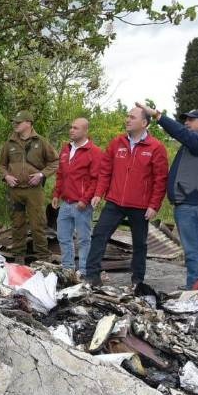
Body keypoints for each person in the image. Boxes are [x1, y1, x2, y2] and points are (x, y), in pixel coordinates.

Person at [82, 106, 169, 287]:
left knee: (140, 244)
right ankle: (92, 276)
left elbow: (160, 179)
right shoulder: (117, 143)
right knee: (99, 234)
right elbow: (105, 171)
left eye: (132, 117)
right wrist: (99, 193)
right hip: (115, 201)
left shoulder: (156, 147)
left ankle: (137, 281)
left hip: (140, 205)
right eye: (127, 116)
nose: (127, 120)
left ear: (144, 123)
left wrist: (154, 205)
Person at [138, 103, 198, 289]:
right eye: (185, 120)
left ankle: (196, 292)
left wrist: (158, 116)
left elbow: (181, 133)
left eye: (191, 119)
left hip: (192, 203)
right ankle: (196, 287)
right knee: (195, 250)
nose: (187, 123)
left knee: (194, 252)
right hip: (191, 203)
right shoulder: (195, 145)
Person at [0, 110, 59, 263]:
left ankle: (43, 257)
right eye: (15, 122)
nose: (15, 124)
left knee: (38, 223)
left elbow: (55, 162)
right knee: (17, 224)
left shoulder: (41, 142)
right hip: (15, 191)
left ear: (29, 123)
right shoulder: (9, 143)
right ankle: (19, 256)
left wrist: (41, 175)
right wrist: (6, 176)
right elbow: (1, 165)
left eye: (19, 122)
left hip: (34, 191)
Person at [51, 118, 101, 274]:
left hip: (82, 205)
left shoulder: (94, 152)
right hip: (65, 203)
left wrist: (85, 200)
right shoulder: (66, 149)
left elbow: (95, 179)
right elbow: (60, 174)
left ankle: (85, 271)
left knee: (84, 239)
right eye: (71, 127)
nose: (71, 130)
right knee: (63, 237)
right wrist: (56, 194)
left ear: (85, 131)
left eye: (76, 128)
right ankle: (68, 269)